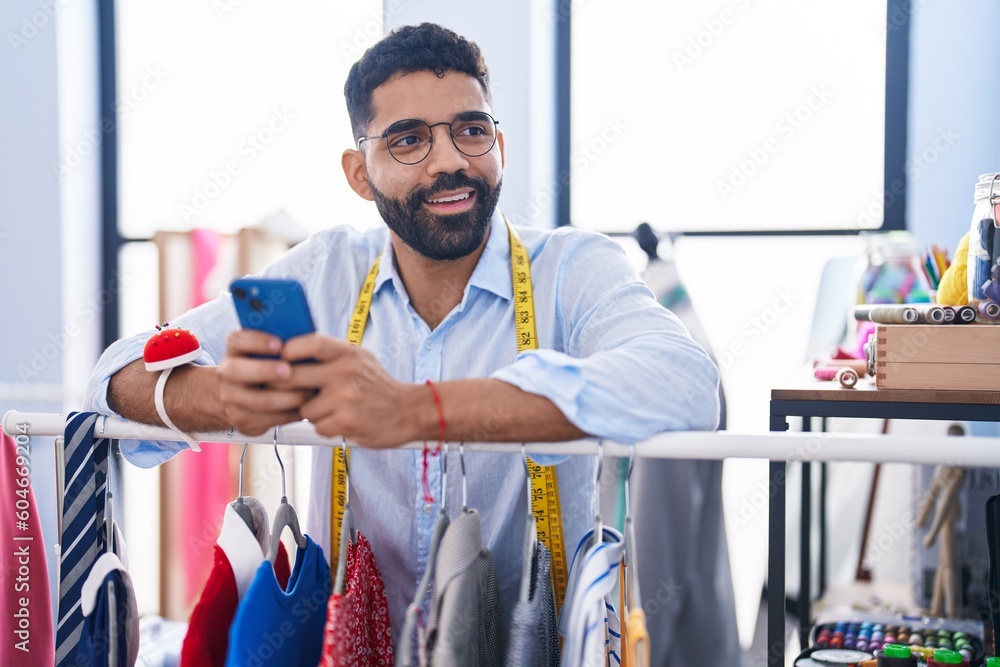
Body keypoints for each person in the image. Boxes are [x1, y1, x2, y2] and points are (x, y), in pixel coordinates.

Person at [85, 22, 720, 643]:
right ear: (358, 172)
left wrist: (418, 409)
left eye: (472, 131)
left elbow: (688, 383)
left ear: (500, 146)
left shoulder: (571, 269)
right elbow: (114, 375)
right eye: (409, 140)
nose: (450, 161)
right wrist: (228, 398)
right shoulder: (326, 270)